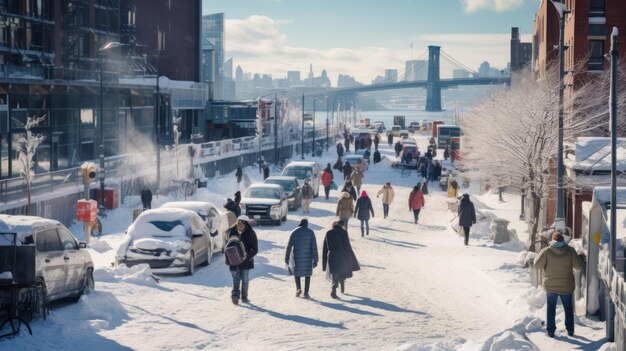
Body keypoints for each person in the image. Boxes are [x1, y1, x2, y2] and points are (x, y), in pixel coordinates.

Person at [534, 231, 581, 338]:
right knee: (568, 308)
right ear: (563, 240)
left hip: (550, 286)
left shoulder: (546, 251)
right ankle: (570, 330)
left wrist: (539, 256)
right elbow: (578, 267)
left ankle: (550, 331)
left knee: (551, 308)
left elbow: (537, 265)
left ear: (552, 240)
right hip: (566, 286)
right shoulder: (570, 251)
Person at [322, 220, 360, 299]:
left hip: (332, 255)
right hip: (342, 255)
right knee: (342, 271)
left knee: (334, 273)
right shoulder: (344, 232)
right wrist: (351, 257)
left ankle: (333, 289)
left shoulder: (328, 233)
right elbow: (347, 246)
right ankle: (341, 286)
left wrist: (324, 262)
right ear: (342, 225)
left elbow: (325, 247)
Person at [228, 215, 258, 305]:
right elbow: (228, 246)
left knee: (244, 279)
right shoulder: (232, 231)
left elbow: (255, 249)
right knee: (237, 278)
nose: (240, 225)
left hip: (245, 261)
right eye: (239, 223)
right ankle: (235, 297)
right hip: (235, 260)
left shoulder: (251, 233)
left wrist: (247, 257)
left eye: (242, 223)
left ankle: (244, 296)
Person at [285, 219, 318, 298]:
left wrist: (286, 258)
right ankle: (306, 292)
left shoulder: (294, 232)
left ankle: (298, 288)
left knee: (297, 273)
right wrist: (315, 260)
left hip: (297, 257)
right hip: (308, 257)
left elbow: (289, 246)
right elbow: (314, 247)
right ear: (306, 224)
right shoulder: (310, 232)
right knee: (307, 274)